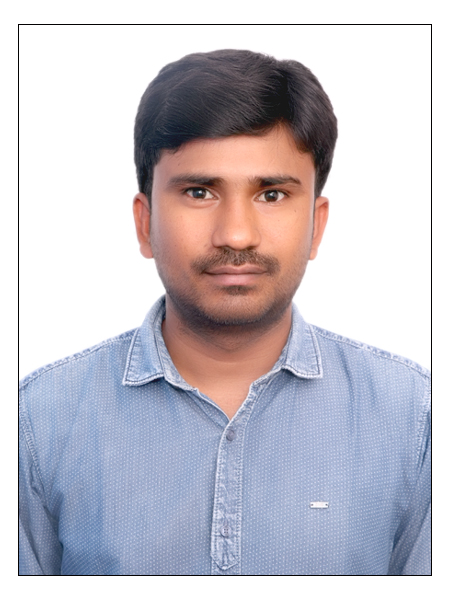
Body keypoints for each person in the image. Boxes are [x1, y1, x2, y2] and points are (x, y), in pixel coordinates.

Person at [19, 49, 430, 576]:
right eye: (199, 191)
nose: (236, 235)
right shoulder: (36, 423)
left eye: (272, 194)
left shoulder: (416, 422)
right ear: (145, 223)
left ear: (317, 226)